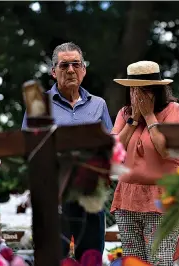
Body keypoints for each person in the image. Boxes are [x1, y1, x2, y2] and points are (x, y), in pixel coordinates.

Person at [21, 42, 113, 260]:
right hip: (54, 198)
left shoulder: (98, 105)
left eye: (75, 64)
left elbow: (111, 148)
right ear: (53, 72)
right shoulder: (38, 105)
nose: (70, 70)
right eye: (64, 66)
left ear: (83, 70)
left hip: (90, 198)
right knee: (53, 258)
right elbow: (27, 150)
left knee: (91, 258)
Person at [110, 61, 179, 265]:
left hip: (164, 198)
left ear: (158, 90)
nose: (139, 95)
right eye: (134, 89)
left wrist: (149, 117)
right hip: (128, 199)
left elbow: (167, 151)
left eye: (146, 90)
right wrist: (133, 120)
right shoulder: (124, 114)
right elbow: (114, 153)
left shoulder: (175, 110)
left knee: (159, 261)